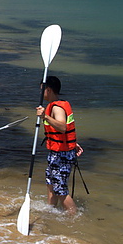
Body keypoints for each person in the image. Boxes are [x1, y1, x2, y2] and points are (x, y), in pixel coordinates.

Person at [36, 76, 83, 215]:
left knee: (60, 190)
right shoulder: (56, 105)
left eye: (42, 90)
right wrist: (73, 143)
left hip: (61, 155)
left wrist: (45, 117)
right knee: (51, 185)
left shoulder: (57, 107)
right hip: (57, 152)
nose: (41, 94)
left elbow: (62, 127)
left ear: (48, 90)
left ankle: (73, 217)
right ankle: (50, 213)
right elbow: (65, 132)